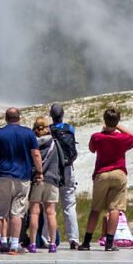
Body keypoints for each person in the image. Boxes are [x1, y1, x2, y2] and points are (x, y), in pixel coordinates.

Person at [0, 107, 42, 255]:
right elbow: (35, 154)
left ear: (6, 118)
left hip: (3, 176)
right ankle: (14, 245)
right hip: (22, 177)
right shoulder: (28, 133)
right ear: (19, 117)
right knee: (17, 213)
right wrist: (40, 171)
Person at [81, 108, 133, 252]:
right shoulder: (122, 138)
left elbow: (91, 149)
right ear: (117, 121)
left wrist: (104, 130)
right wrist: (117, 126)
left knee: (96, 209)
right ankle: (110, 243)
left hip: (102, 174)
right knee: (115, 208)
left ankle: (86, 242)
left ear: (104, 120)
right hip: (119, 173)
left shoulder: (97, 137)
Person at [27, 116, 63, 253]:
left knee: (34, 213)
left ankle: (32, 243)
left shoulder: (32, 143)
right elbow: (61, 160)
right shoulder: (54, 143)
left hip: (37, 179)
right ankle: (52, 243)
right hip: (52, 179)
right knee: (51, 213)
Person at [49, 104, 81, 249]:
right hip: (68, 168)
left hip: (52, 170)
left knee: (49, 206)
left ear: (51, 115)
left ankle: (46, 239)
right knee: (69, 205)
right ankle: (73, 239)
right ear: (63, 114)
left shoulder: (48, 130)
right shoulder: (70, 129)